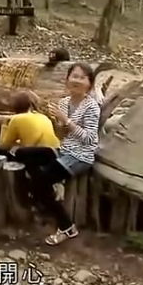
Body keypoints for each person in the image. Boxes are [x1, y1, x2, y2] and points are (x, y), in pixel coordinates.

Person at [13, 63, 100, 246]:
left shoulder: (92, 107)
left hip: (79, 156)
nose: (77, 81)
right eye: (74, 76)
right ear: (67, 80)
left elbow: (89, 139)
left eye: (82, 78)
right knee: (21, 154)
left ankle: (67, 227)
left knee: (40, 181)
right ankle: (46, 193)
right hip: (63, 150)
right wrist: (56, 122)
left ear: (90, 84)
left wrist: (65, 120)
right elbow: (62, 135)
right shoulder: (64, 103)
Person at [0, 90, 60, 159]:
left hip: (37, 156)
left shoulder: (16, 119)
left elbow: (4, 146)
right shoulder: (44, 117)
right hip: (54, 154)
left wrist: (4, 124)